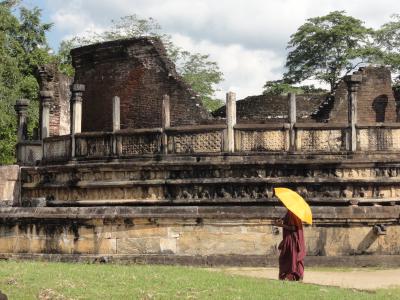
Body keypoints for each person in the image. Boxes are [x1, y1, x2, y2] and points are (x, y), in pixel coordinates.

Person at [273, 210, 306, 281]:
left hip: (292, 239)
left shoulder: (292, 213)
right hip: (291, 238)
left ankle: (291, 275)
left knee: (288, 257)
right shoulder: (292, 213)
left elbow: (293, 228)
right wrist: (282, 221)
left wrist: (281, 225)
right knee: (291, 257)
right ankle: (296, 275)